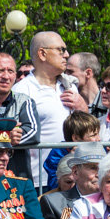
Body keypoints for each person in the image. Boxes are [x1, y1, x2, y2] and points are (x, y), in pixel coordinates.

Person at [13, 31, 85, 186]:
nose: (67, 55)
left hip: (75, 177)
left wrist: (83, 109)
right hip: (41, 180)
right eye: (61, 50)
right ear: (42, 54)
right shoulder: (21, 91)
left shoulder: (69, 86)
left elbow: (86, 128)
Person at [41, 141, 103, 219]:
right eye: (93, 168)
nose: (99, 174)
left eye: (103, 168)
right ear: (75, 172)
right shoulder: (53, 203)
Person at [65, 51, 103, 118]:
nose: (66, 75)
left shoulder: (108, 103)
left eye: (70, 72)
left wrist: (84, 113)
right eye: (65, 71)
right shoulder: (67, 101)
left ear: (88, 73)